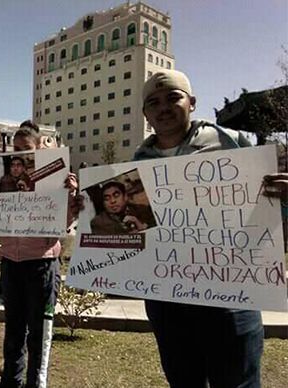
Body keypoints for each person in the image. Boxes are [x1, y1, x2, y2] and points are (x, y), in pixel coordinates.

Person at [134, 69, 263, 388]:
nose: (163, 107)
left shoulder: (232, 142)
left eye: (172, 98)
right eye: (153, 102)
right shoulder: (139, 159)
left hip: (229, 299)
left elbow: (265, 202)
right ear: (146, 114)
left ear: (191, 102)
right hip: (169, 302)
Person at [0, 120, 78, 388]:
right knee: (14, 329)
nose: (20, 153)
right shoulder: (3, 178)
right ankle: (10, 381)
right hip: (10, 262)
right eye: (16, 149)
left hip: (41, 264)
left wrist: (70, 196)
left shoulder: (56, 179)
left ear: (41, 147)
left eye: (26, 148)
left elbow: (63, 224)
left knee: (39, 332)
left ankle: (35, 384)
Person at [90, 180, 155, 234]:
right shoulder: (98, 223)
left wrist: (141, 228)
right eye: (107, 198)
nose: (112, 201)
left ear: (125, 196)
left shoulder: (143, 210)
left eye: (116, 195)